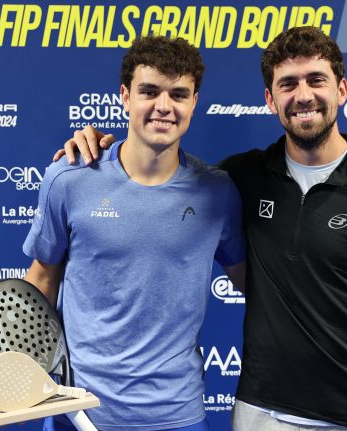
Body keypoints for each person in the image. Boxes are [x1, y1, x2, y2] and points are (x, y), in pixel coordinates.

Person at [57, 27, 347, 431]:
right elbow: (161, 175)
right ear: (270, 99)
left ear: (341, 89)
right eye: (288, 84)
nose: (304, 96)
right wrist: (98, 147)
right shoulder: (239, 179)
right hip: (261, 413)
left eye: (316, 80)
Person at [23, 35, 246, 431]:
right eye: (149, 91)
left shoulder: (218, 192)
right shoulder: (68, 178)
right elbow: (41, 280)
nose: (164, 106)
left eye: (179, 94)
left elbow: (255, 285)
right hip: (79, 413)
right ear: (125, 96)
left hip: (176, 414)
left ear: (194, 102)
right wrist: (26, 370)